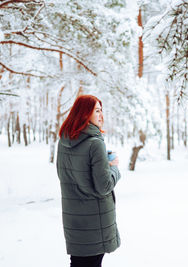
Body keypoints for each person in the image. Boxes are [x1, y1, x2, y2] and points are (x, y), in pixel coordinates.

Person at [56, 95, 121, 267]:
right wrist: (113, 168)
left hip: (74, 221)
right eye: (97, 111)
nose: (101, 115)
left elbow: (71, 174)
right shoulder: (95, 144)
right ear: (85, 114)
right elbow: (104, 186)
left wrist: (101, 164)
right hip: (94, 223)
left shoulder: (64, 141)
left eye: (102, 110)